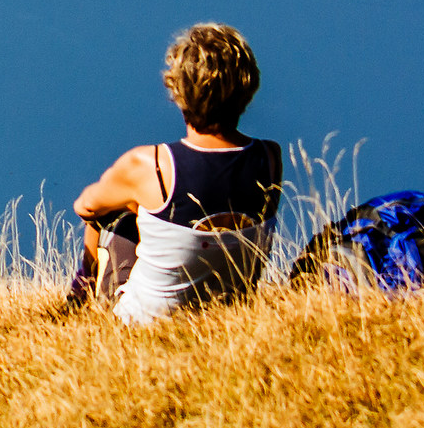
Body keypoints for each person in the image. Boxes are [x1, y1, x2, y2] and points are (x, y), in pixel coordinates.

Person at [72, 22, 283, 322]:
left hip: (143, 321)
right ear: (247, 87)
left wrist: (134, 203)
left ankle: (79, 299)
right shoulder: (270, 158)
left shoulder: (152, 165)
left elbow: (86, 206)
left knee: (113, 216)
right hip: (229, 315)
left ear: (178, 89)